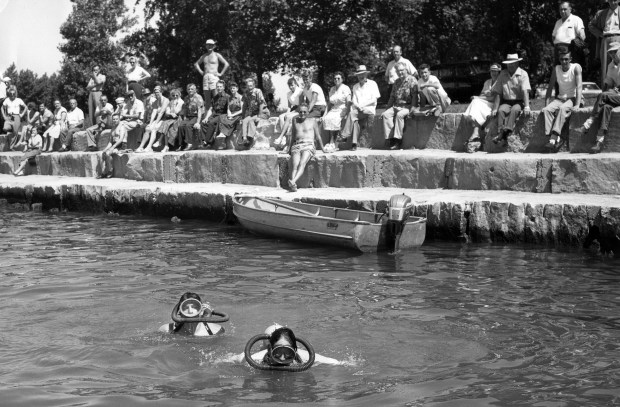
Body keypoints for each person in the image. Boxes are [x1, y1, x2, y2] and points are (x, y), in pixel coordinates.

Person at [575, 42, 620, 153]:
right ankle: (599, 141)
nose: (613, 55)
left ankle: (589, 122)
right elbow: (608, 83)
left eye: (615, 52)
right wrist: (605, 94)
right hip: (616, 96)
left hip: (617, 94)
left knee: (603, 95)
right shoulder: (610, 66)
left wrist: (608, 92)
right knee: (605, 108)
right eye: (610, 53)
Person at [240, 323, 342, 367]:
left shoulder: (305, 358)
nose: (283, 358)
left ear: (295, 350)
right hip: (268, 343)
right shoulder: (258, 358)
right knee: (271, 331)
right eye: (278, 352)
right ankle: (273, 332)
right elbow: (238, 358)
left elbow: (334, 362)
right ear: (270, 350)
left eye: (288, 352)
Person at [542, 50, 582, 153]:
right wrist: (546, 105)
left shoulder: (576, 68)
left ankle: (553, 138)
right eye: (561, 59)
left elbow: (579, 87)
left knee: (563, 109)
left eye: (566, 59)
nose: (564, 62)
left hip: (572, 98)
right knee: (547, 110)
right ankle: (553, 138)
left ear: (570, 59)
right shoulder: (556, 69)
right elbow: (550, 87)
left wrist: (577, 104)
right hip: (560, 98)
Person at [491, 53, 532, 145]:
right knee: (501, 110)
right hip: (507, 101)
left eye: (513, 63)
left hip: (519, 101)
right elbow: (498, 92)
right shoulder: (502, 74)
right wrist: (495, 108)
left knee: (515, 110)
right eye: (509, 64)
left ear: (517, 63)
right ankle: (501, 132)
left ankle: (504, 133)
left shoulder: (523, 74)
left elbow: (525, 91)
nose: (511, 65)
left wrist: (527, 107)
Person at [287, 103, 327, 192]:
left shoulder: (313, 120)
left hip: (308, 145)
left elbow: (318, 136)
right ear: (298, 112)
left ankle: (293, 181)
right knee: (295, 165)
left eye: (305, 112)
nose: (302, 114)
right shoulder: (295, 120)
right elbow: (293, 135)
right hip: (297, 145)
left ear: (308, 112)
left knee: (302, 163)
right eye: (300, 112)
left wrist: (323, 148)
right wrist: (289, 149)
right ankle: (293, 185)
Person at [463, 63, 502, 153]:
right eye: (492, 71)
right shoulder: (487, 82)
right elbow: (482, 95)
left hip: (495, 104)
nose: (493, 73)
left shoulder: (501, 81)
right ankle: (475, 131)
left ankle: (475, 131)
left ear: (499, 71)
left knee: (476, 102)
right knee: (475, 101)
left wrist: (491, 94)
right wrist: (479, 97)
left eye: (495, 71)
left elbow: (498, 96)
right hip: (486, 102)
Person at [340, 65, 381, 150]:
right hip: (359, 110)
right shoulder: (355, 86)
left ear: (366, 75)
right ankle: (354, 144)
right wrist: (358, 106)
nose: (361, 76)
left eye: (363, 74)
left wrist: (363, 105)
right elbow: (354, 99)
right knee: (354, 119)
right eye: (359, 75)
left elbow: (374, 99)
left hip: (369, 109)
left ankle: (344, 136)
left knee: (352, 115)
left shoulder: (372, 84)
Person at [381, 62, 419, 150]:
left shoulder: (412, 80)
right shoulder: (397, 82)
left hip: (408, 106)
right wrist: (386, 109)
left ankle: (397, 140)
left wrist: (413, 109)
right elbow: (392, 97)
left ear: (406, 70)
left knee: (399, 115)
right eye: (398, 71)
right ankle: (390, 139)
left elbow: (415, 96)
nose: (400, 72)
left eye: (402, 70)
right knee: (386, 115)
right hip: (396, 106)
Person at [159, 292, 224, 336]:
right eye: (185, 307)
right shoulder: (166, 330)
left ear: (200, 310)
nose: (190, 311)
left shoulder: (216, 331)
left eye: (194, 307)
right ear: (179, 311)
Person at [194, 39, 230, 113]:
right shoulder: (204, 56)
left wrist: (220, 73)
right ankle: (207, 116)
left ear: (214, 46)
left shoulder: (217, 55)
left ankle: (217, 113)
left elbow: (226, 64)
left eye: (211, 45)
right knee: (207, 98)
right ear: (206, 46)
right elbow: (196, 64)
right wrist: (201, 72)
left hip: (214, 77)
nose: (209, 46)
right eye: (208, 45)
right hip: (206, 77)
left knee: (216, 96)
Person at [589, 0, 620, 85]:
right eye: (610, 0)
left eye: (615, 0)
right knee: (605, 66)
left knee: (618, 63)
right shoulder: (601, 13)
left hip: (618, 38)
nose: (613, 3)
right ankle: (605, 91)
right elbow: (591, 25)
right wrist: (599, 34)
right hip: (605, 40)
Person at [321, 71, 351, 149]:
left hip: (342, 108)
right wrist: (324, 114)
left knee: (335, 119)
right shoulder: (332, 89)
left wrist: (347, 113)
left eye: (338, 78)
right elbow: (329, 103)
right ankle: (331, 141)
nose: (336, 80)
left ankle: (333, 141)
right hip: (334, 108)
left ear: (342, 79)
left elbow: (349, 102)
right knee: (327, 118)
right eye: (335, 78)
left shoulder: (345, 88)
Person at [137, 85, 169, 152]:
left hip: (164, 119)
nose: (156, 93)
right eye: (155, 92)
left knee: (154, 128)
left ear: (161, 92)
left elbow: (161, 113)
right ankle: (141, 147)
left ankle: (149, 147)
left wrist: (156, 123)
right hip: (158, 119)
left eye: (157, 92)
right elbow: (154, 113)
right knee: (148, 128)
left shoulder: (165, 100)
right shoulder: (155, 102)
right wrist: (151, 123)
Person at [240, 77, 269, 148]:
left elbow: (261, 104)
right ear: (246, 86)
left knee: (250, 120)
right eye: (248, 86)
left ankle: (249, 139)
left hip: (263, 112)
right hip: (253, 114)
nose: (250, 87)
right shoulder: (246, 93)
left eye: (251, 86)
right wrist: (242, 116)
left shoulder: (257, 91)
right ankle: (244, 138)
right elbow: (244, 106)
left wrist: (259, 116)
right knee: (245, 120)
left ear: (254, 85)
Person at [201, 80, 229, 148]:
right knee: (204, 123)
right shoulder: (215, 97)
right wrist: (206, 118)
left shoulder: (227, 97)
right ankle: (209, 142)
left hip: (222, 115)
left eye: (220, 86)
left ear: (223, 87)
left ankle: (206, 141)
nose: (219, 88)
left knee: (211, 122)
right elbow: (211, 109)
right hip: (215, 114)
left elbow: (229, 109)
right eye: (218, 87)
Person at [275, 78, 303, 146]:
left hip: (299, 110)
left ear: (296, 84)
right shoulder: (288, 94)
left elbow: (300, 105)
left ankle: (281, 136)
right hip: (293, 109)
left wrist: (290, 113)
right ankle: (284, 137)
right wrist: (288, 112)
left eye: (292, 85)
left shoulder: (300, 91)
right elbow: (289, 106)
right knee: (281, 116)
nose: (291, 87)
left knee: (287, 116)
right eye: (289, 86)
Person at [217, 82, 243, 150]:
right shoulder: (229, 98)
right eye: (231, 88)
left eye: (234, 88)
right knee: (221, 117)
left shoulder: (240, 97)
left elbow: (242, 110)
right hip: (231, 114)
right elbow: (228, 108)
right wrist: (229, 114)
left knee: (230, 122)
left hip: (238, 114)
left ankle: (226, 137)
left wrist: (233, 115)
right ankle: (222, 134)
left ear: (237, 89)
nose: (232, 90)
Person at [99, 113, 126, 178]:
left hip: (121, 145)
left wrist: (113, 147)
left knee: (108, 153)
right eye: (114, 119)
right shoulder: (113, 128)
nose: (115, 120)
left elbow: (121, 139)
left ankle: (110, 171)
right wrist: (105, 149)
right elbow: (110, 142)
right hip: (114, 145)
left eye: (116, 119)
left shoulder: (122, 127)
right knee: (102, 153)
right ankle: (103, 172)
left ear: (119, 119)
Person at [178, 83, 204, 151]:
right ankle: (182, 145)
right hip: (189, 117)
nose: (190, 90)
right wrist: (184, 119)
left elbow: (200, 111)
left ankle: (190, 144)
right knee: (181, 126)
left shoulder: (198, 97)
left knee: (188, 125)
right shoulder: (186, 98)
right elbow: (185, 109)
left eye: (192, 89)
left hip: (196, 116)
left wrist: (198, 122)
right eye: (188, 89)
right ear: (187, 90)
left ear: (195, 90)